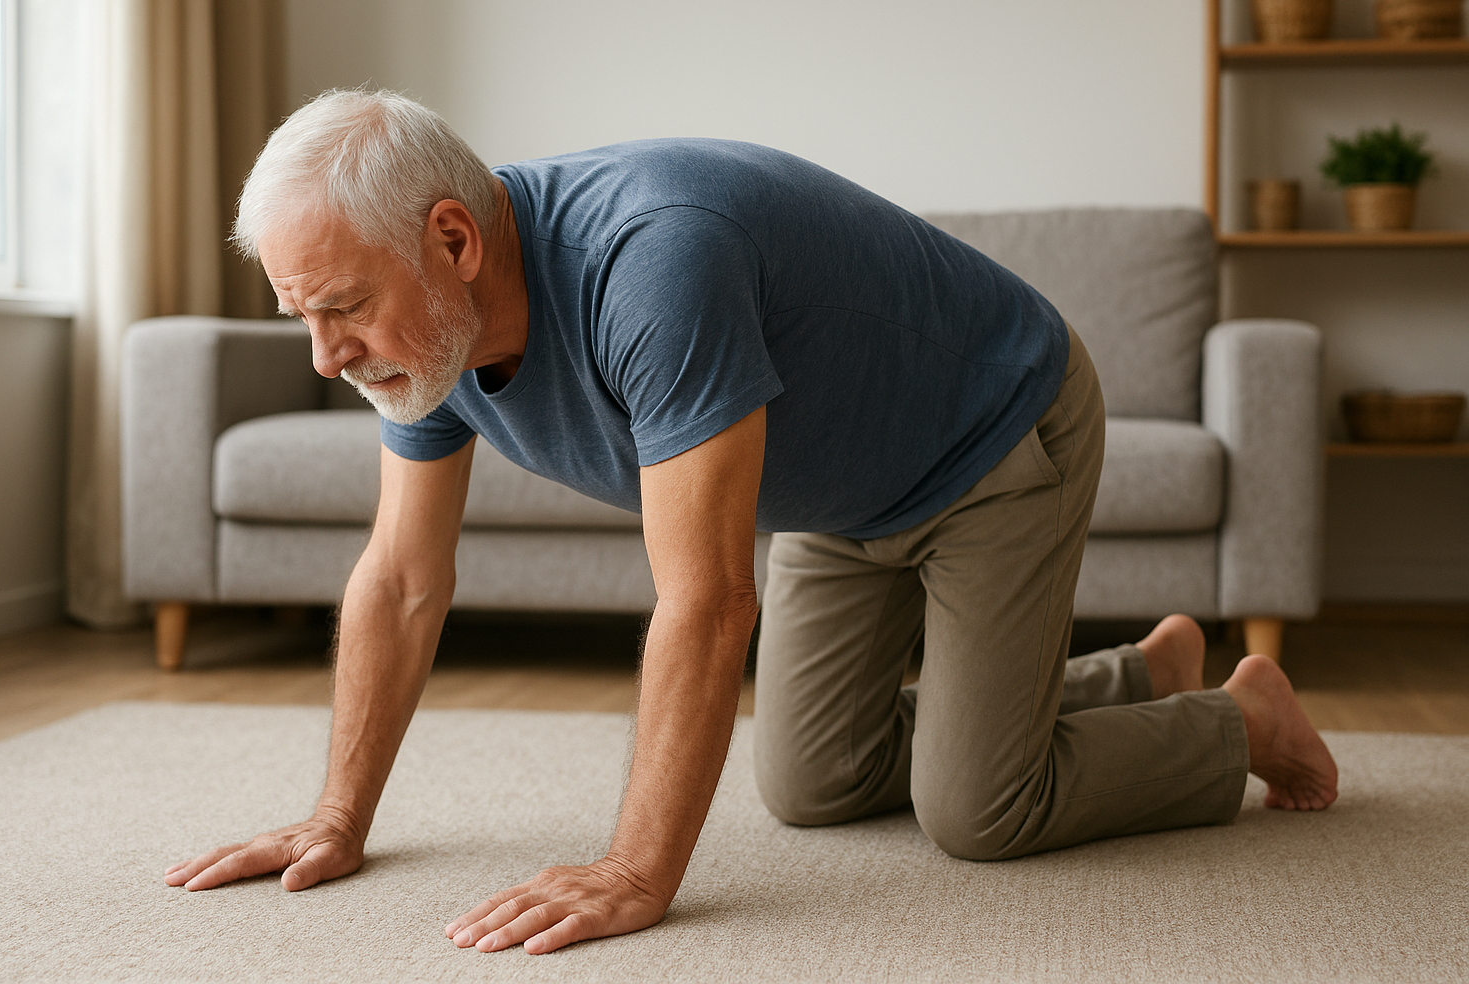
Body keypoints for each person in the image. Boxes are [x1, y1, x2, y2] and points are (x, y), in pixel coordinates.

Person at [164, 89, 1338, 954]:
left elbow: (709, 598)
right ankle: (1134, 674)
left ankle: (1240, 718)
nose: (327, 357)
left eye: (342, 310)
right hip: (832, 491)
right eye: (300, 319)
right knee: (815, 782)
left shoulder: (651, 260)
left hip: (989, 433)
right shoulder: (431, 336)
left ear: (452, 241)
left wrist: (636, 869)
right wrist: (338, 815)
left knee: (982, 811)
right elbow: (402, 578)